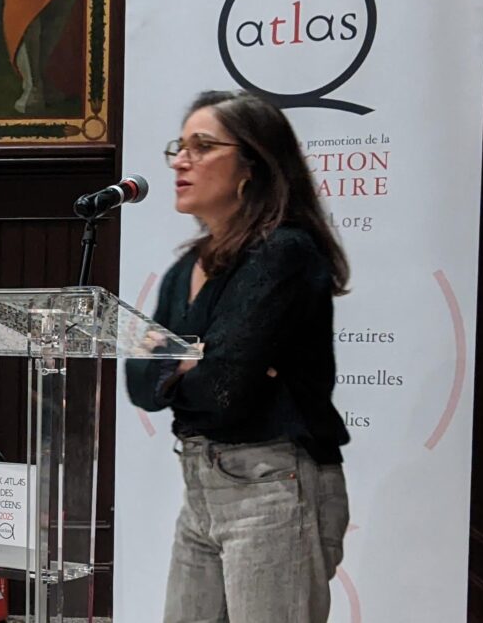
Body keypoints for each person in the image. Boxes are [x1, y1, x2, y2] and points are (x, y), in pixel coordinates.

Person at [126, 90, 351, 623]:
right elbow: (138, 384)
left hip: (273, 486)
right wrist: (197, 363)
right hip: (200, 486)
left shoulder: (283, 252)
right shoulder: (186, 268)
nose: (181, 161)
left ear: (253, 164)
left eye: (202, 147)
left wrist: (188, 364)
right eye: (179, 147)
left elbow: (224, 390)